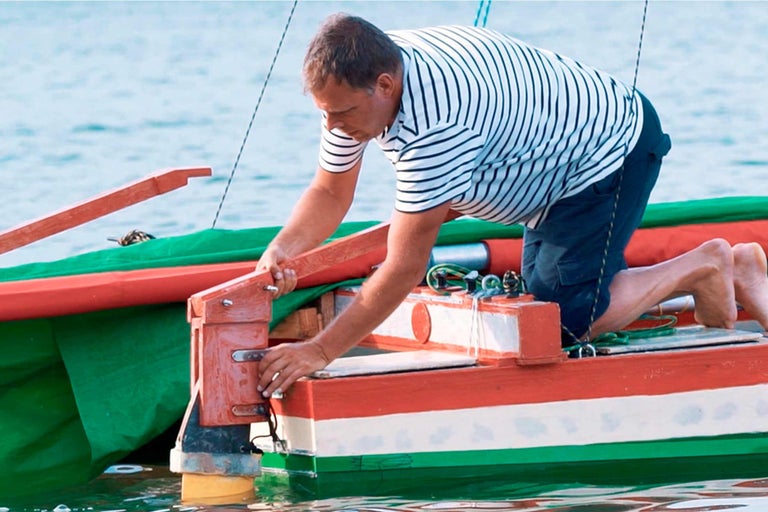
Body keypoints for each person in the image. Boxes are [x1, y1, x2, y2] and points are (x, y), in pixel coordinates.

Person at [255, 13, 768, 398]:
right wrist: (284, 247)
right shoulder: (358, 86)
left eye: (342, 113)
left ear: (385, 85)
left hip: (608, 153)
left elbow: (404, 264)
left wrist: (321, 350)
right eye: (326, 113)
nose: (335, 125)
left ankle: (706, 265)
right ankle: (734, 268)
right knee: (545, 297)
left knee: (563, 319)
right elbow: (329, 191)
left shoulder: (435, 125)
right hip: (548, 161)